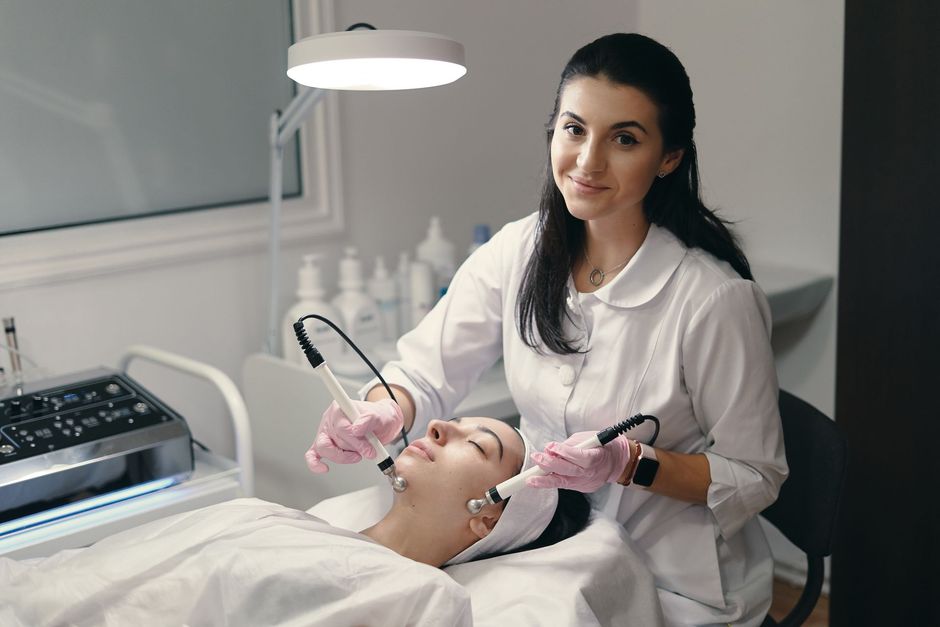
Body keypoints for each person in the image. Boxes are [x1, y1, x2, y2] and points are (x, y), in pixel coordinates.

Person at [307, 32, 788, 626]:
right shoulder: (520, 250)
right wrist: (384, 410)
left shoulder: (712, 301)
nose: (587, 162)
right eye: (574, 128)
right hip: (547, 550)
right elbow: (424, 373)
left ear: (670, 158)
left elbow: (756, 475)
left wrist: (627, 463)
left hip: (673, 586)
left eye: (625, 139)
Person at [0, 417, 589, 626]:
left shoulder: (424, 599)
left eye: (476, 445)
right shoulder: (271, 515)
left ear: (485, 519)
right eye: (454, 420)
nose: (437, 427)